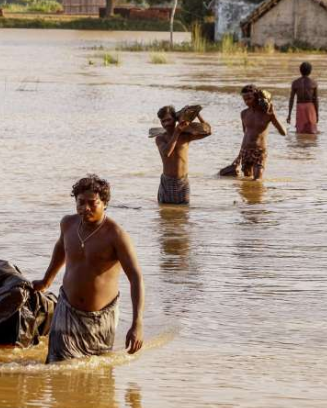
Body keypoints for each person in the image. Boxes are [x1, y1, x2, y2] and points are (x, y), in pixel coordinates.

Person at [33, 175, 145, 363]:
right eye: (80, 202)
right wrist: (46, 281)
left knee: (98, 380)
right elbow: (61, 248)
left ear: (104, 203)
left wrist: (137, 324)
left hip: (101, 320)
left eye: (92, 203)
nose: (85, 208)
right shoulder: (68, 224)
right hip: (66, 310)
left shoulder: (116, 235)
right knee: (57, 368)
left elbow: (136, 277)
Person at [155, 106, 212, 204]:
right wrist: (177, 132)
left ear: (175, 119)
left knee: (183, 215)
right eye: (163, 121)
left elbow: (208, 132)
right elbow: (167, 153)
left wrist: (195, 114)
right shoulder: (160, 138)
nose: (166, 124)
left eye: (169, 120)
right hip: (167, 182)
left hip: (182, 182)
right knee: (165, 215)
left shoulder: (186, 136)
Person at [232, 85, 287, 180]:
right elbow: (245, 133)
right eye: (245, 99)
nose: (247, 102)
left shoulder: (267, 114)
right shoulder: (244, 113)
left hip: (259, 152)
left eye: (249, 98)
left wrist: (273, 116)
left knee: (257, 181)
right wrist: (239, 155)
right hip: (245, 151)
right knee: (247, 181)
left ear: (257, 97)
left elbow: (283, 133)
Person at [287, 62, 319, 135]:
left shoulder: (295, 83)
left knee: (300, 131)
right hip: (310, 107)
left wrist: (289, 115)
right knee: (312, 132)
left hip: (300, 107)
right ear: (310, 71)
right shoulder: (313, 83)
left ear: (300, 70)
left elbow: (291, 99)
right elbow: (316, 100)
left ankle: (301, 145)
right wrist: (317, 114)